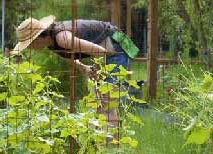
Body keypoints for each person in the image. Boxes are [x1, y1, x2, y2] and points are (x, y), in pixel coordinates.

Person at [10, 15, 139, 140]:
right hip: (102, 50)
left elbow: (99, 51)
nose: (30, 48)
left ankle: (111, 145)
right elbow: (72, 54)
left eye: (29, 44)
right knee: (97, 100)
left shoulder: (62, 38)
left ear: (38, 37)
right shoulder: (51, 42)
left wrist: (102, 73)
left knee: (106, 101)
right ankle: (101, 142)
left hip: (113, 47)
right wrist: (84, 67)